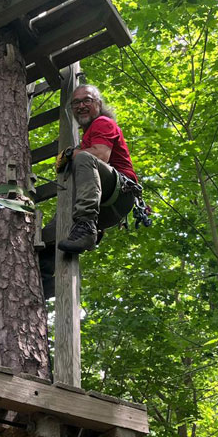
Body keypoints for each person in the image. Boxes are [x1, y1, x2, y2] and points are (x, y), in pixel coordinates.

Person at [39, 85, 138, 296]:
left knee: (85, 158)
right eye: (76, 103)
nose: (81, 106)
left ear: (98, 104)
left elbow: (100, 156)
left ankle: (86, 228)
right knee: (49, 235)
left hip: (120, 193)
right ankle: (44, 285)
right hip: (101, 202)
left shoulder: (103, 123)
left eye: (87, 100)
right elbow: (63, 165)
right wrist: (70, 153)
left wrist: (72, 153)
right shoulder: (86, 138)